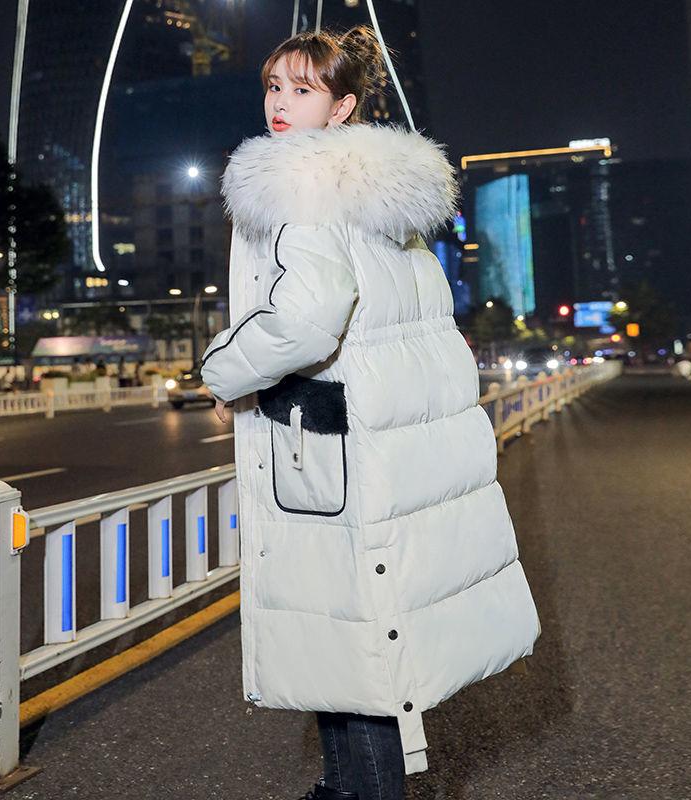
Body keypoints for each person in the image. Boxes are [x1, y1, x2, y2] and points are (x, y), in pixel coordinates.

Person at [200, 25, 541, 800]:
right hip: (384, 440)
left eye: (303, 89)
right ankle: (345, 787)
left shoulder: (299, 186)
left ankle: (362, 792)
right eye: (274, 86)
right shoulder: (386, 198)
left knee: (350, 634)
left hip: (332, 451)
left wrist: (222, 374)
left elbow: (307, 318)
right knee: (360, 628)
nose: (281, 103)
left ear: (343, 107)